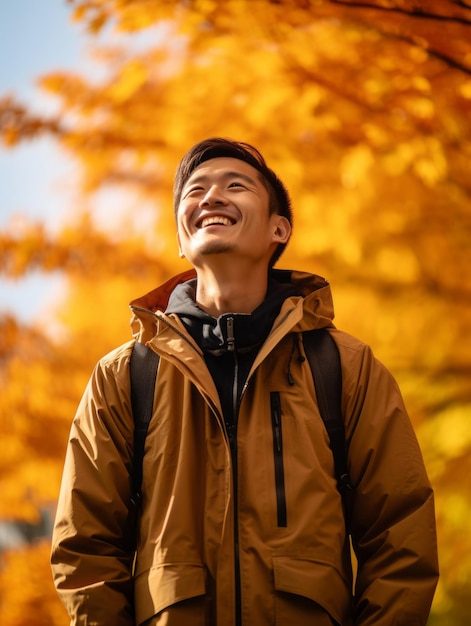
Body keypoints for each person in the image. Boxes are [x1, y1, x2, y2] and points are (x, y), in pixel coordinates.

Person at [51, 137, 439, 626]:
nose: (210, 197)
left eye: (235, 186)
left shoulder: (343, 365)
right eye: (194, 192)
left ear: (281, 229)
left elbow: (400, 535)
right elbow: (84, 550)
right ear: (180, 238)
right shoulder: (125, 375)